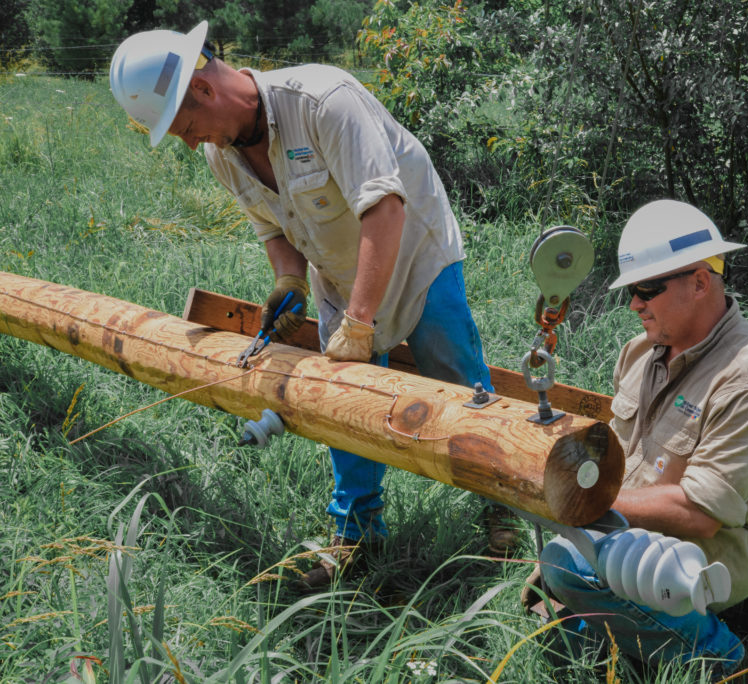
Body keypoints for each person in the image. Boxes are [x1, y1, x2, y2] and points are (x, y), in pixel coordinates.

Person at [108, 21, 520, 589]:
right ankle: (357, 533)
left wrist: (360, 321)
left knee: (458, 379)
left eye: (185, 127)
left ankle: (500, 515)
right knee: (342, 398)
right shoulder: (223, 153)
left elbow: (385, 210)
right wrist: (289, 280)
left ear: (201, 89)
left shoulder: (324, 101)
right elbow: (273, 227)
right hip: (337, 271)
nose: (188, 141)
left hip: (416, 254)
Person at [526, 200, 748, 674]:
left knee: (569, 567)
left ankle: (723, 660)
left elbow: (698, 515)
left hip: (720, 546)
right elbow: (616, 455)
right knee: (554, 584)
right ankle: (619, 631)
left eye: (647, 288)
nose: (635, 303)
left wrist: (576, 503)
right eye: (633, 289)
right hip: (642, 523)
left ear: (700, 282)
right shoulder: (640, 352)